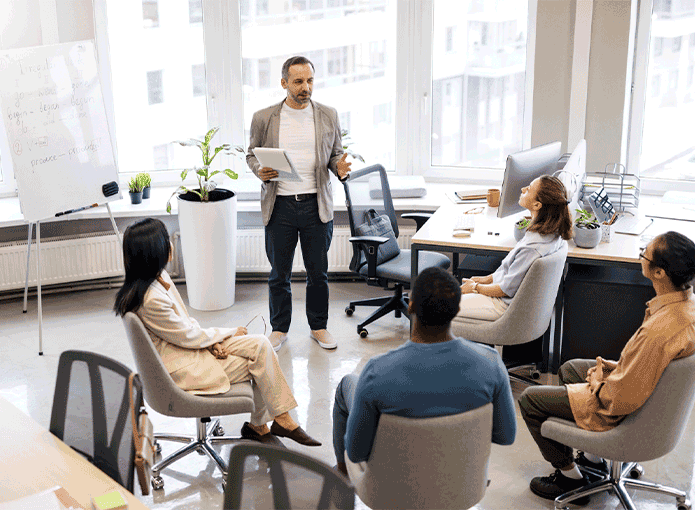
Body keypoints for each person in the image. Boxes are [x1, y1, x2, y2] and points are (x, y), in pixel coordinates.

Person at [519, 231, 695, 503]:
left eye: (644, 254)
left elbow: (619, 398)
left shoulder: (660, 332)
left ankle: (569, 477)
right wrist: (605, 372)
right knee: (570, 369)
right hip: (648, 394)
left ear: (659, 272)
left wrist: (595, 381)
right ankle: (595, 459)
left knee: (531, 400)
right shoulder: (685, 309)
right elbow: (643, 369)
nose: (641, 257)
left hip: (625, 409)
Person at [114, 218, 321, 447]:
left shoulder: (158, 278)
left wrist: (213, 342)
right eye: (166, 241)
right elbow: (186, 336)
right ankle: (269, 424)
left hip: (188, 347)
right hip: (182, 365)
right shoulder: (151, 299)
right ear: (154, 251)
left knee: (261, 344)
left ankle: (270, 423)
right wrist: (226, 334)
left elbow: (184, 325)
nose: (171, 245)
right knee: (261, 362)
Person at [332, 266, 517, 476]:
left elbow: (356, 453)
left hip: (390, 487)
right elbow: (505, 435)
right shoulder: (491, 364)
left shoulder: (377, 371)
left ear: (410, 307)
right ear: (457, 310)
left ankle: (341, 474)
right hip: (459, 487)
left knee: (347, 384)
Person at [246, 55, 352, 352]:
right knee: (279, 274)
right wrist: (259, 170)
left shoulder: (328, 114)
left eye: (310, 81)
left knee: (318, 273)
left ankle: (318, 327)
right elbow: (251, 154)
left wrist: (339, 168)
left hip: (315, 206)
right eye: (298, 82)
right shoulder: (264, 117)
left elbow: (336, 154)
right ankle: (279, 330)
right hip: (279, 205)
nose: (306, 87)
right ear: (284, 83)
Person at [455, 175, 573, 321]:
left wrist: (475, 288)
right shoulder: (551, 235)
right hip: (501, 297)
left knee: (433, 306)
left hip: (500, 305)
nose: (523, 189)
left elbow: (505, 289)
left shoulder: (532, 248)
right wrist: (485, 280)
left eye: (528, 189)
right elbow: (509, 274)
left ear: (537, 205)